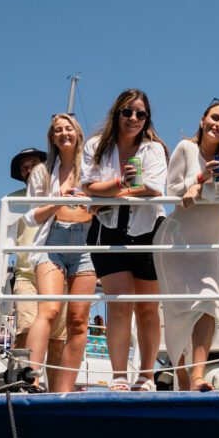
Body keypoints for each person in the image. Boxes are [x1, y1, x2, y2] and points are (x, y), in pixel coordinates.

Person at [154, 99, 219, 392]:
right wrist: (200, 180)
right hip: (177, 240)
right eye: (215, 118)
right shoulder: (186, 148)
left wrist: (200, 186)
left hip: (207, 245)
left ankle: (197, 374)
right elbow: (173, 190)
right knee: (178, 312)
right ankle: (181, 375)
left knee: (208, 304)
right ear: (203, 120)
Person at [82, 89, 168, 392]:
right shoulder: (95, 146)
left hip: (148, 229)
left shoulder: (153, 149)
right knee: (118, 306)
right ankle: (119, 376)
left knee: (147, 308)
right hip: (107, 230)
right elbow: (88, 185)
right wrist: (120, 183)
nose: (133, 118)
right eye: (127, 112)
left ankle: (146, 376)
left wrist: (110, 194)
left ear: (147, 119)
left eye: (140, 114)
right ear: (116, 113)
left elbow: (154, 189)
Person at [23, 115, 97, 392]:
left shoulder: (93, 165)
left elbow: (108, 202)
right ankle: (30, 376)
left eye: (68, 129)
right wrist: (59, 199)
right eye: (57, 130)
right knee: (50, 309)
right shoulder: (43, 172)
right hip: (52, 241)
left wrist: (91, 202)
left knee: (78, 319)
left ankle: (64, 389)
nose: (63, 133)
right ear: (52, 137)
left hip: (85, 243)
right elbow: (32, 217)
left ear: (77, 133)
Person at [9, 147, 67, 390]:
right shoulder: (13, 200)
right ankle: (22, 383)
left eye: (34, 163)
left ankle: (55, 392)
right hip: (26, 275)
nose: (29, 169)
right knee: (24, 328)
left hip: (57, 270)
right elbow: (1, 245)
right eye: (24, 167)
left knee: (58, 338)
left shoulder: (61, 194)